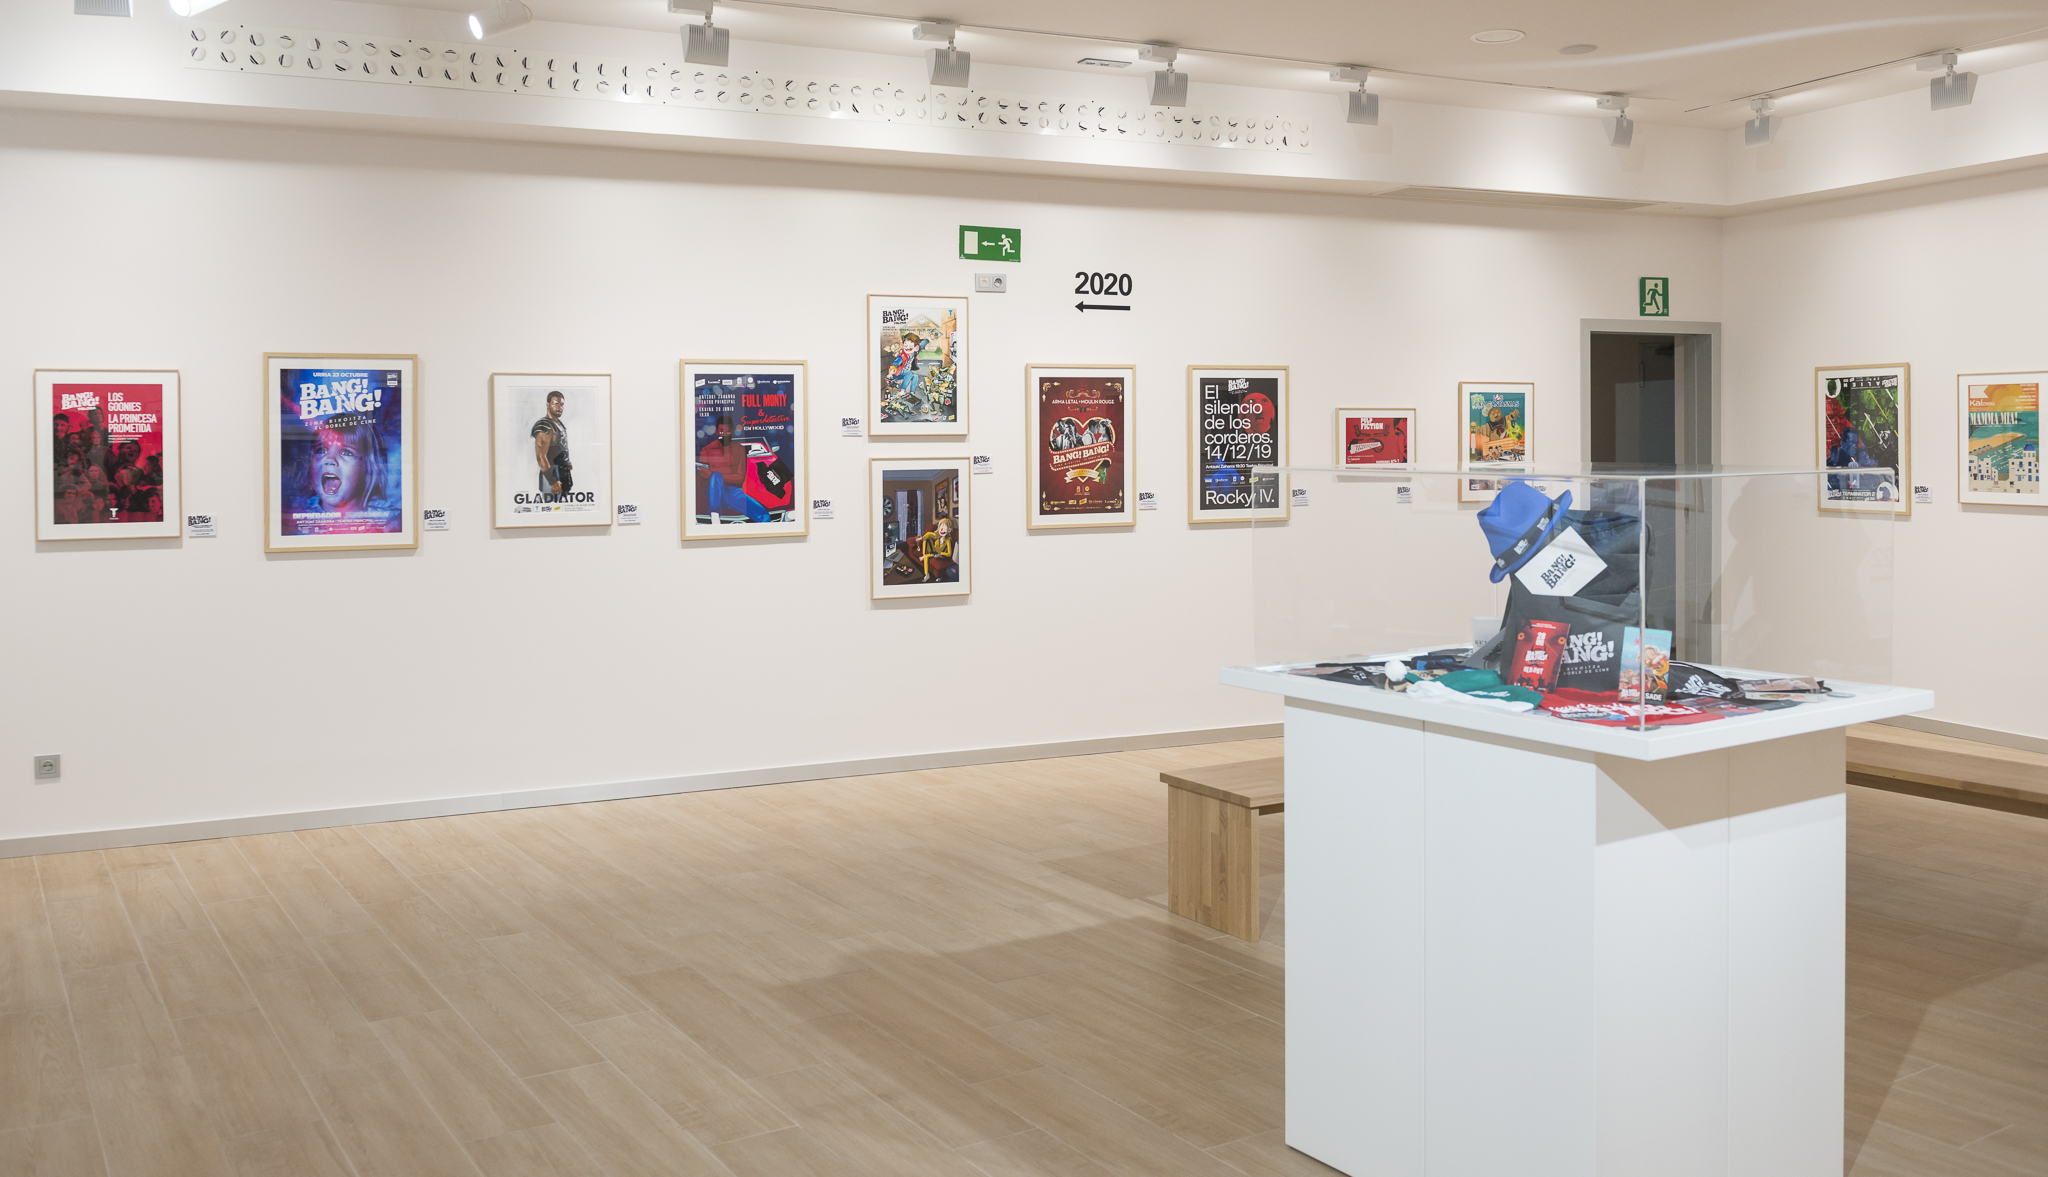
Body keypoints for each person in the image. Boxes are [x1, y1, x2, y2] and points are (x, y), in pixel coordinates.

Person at [298, 413, 391, 528]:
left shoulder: (388, 522)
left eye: (346, 452)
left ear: (367, 466)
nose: (329, 459)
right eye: (321, 450)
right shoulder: (296, 517)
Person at [697, 413, 767, 523]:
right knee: (715, 476)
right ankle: (715, 516)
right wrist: (721, 475)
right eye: (721, 431)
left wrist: (713, 473)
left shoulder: (739, 449)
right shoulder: (706, 450)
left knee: (764, 515)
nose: (724, 434)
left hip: (735, 493)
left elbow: (739, 478)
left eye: (728, 432)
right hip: (714, 493)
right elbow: (703, 478)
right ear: (716, 432)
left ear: (732, 432)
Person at [531, 391, 572, 495]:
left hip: (563, 474)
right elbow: (541, 456)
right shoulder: (544, 425)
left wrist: (567, 462)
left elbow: (560, 446)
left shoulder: (558, 423)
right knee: (551, 503)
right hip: (552, 475)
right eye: (556, 404)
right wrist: (552, 481)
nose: (560, 407)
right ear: (548, 405)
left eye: (562, 404)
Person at [918, 516, 955, 581]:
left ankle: (927, 575)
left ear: (949, 530)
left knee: (927, 557)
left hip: (939, 554)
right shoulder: (938, 536)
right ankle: (924, 555)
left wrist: (940, 554)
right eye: (940, 528)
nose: (941, 530)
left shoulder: (948, 540)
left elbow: (949, 554)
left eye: (944, 528)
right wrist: (921, 538)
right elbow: (929, 534)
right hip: (934, 551)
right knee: (926, 538)